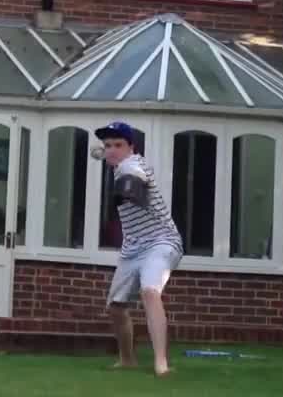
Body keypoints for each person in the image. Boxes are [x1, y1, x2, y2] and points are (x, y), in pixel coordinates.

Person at [95, 121, 183, 377]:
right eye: (108, 145)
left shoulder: (134, 165)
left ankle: (161, 363)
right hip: (133, 248)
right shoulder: (117, 163)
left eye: (118, 145)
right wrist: (105, 154)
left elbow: (135, 176)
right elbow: (108, 157)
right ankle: (127, 360)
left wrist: (127, 188)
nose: (111, 150)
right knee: (116, 307)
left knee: (150, 291)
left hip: (162, 241)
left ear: (131, 147)